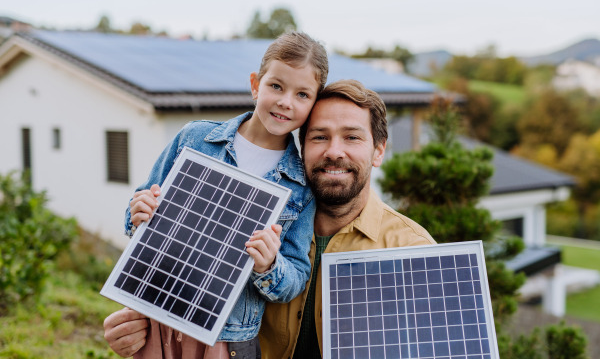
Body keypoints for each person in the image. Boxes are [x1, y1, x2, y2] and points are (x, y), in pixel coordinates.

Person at [103, 31, 329, 358]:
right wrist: (137, 210)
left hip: (226, 339)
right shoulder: (194, 139)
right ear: (256, 84)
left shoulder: (300, 187)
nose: (285, 102)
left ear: (313, 105)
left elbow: (295, 276)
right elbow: (140, 208)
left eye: (303, 94)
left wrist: (268, 266)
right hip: (156, 316)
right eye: (276, 86)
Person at [258, 79, 436, 359]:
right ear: (302, 149)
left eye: (352, 137)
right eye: (319, 137)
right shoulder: (263, 228)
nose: (334, 152)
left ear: (378, 151)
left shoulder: (413, 250)